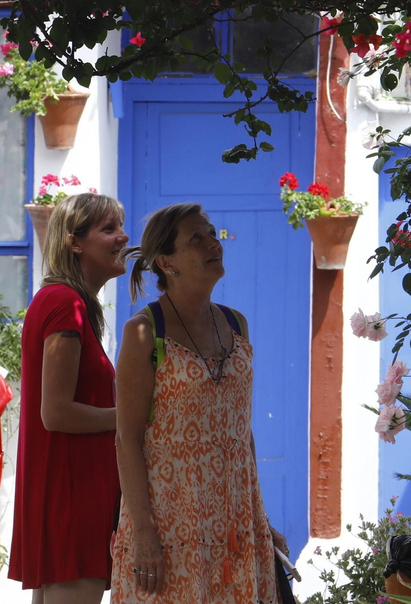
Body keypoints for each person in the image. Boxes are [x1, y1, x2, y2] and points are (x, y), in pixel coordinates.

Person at [111, 203, 288, 603]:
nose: (214, 243)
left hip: (235, 523)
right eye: (197, 237)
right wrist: (143, 531)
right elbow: (127, 438)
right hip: (172, 523)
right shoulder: (143, 331)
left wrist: (259, 516)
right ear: (166, 261)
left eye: (212, 233)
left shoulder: (236, 324)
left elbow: (241, 429)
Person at [10, 192, 129, 604]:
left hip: (68, 490)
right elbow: (56, 413)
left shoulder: (69, 303)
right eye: (109, 229)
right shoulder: (65, 304)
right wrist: (133, 415)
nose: (123, 237)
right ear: (74, 242)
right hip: (72, 494)